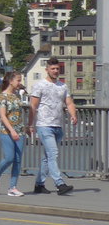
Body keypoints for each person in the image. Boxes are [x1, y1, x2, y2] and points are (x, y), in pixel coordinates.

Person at [28, 57, 78, 195]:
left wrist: (73, 115)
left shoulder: (63, 86)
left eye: (57, 69)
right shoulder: (40, 85)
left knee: (47, 157)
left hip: (58, 125)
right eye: (53, 69)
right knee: (53, 154)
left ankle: (39, 185)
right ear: (47, 70)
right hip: (44, 125)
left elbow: (69, 103)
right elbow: (33, 106)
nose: (56, 71)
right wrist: (30, 124)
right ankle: (60, 184)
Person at [0, 71, 26, 197]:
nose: (19, 83)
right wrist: (12, 130)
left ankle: (12, 187)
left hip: (20, 130)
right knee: (9, 157)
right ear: (11, 81)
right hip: (7, 131)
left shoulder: (17, 96)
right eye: (18, 80)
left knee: (17, 160)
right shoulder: (2, 96)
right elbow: (3, 116)